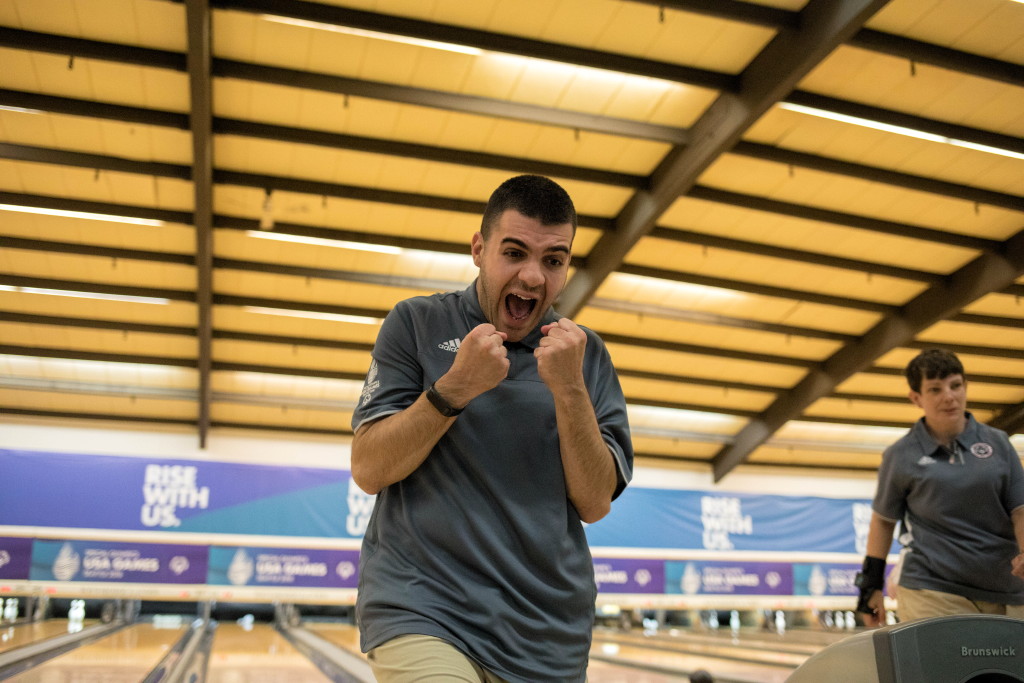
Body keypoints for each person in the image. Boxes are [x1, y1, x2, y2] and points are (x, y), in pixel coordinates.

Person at [350, 174, 634, 682]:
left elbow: (594, 502)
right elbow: (369, 467)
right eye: (515, 252)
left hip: (546, 633)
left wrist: (569, 390)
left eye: (553, 260)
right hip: (423, 605)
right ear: (479, 249)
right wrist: (453, 388)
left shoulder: (584, 356)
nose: (532, 276)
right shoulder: (415, 324)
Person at [855, 348, 1024, 626]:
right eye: (935, 389)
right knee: (946, 671)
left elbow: (1019, 508)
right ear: (916, 398)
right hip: (931, 588)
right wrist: (869, 585)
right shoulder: (901, 455)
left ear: (965, 386)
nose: (949, 396)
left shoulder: (999, 444)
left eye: (956, 385)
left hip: (1004, 586)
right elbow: (883, 521)